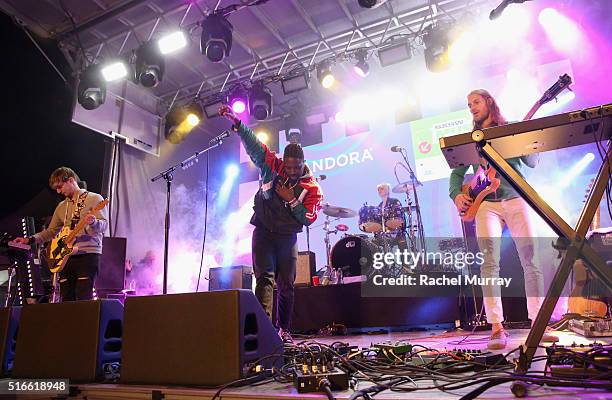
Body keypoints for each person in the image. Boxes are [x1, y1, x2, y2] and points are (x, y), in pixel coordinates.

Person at [448, 89, 557, 350]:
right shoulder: (471, 139)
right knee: (489, 265)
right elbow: (456, 173)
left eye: (476, 101)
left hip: (517, 199)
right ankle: (496, 327)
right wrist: (456, 195)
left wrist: (529, 139)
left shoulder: (509, 129)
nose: (472, 107)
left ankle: (538, 323)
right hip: (486, 204)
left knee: (530, 261)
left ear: (488, 102)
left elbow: (531, 162)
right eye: (468, 104)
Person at [219, 105, 323, 339]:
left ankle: (284, 331)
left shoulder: (312, 188)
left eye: (297, 167)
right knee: (264, 280)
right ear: (283, 161)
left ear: (303, 162)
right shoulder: (273, 166)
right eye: (289, 166)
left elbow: (308, 219)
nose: (293, 171)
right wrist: (237, 123)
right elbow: (255, 146)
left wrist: (292, 200)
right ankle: (264, 332)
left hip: (287, 238)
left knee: (286, 285)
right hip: (264, 231)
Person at [14, 167, 108, 302]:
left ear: (71, 180)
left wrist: (93, 222)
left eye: (60, 187)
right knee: (66, 299)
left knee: (84, 298)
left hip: (88, 254)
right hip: (65, 258)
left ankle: (86, 323)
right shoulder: (61, 206)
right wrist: (30, 239)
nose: (59, 191)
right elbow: (51, 231)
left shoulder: (94, 198)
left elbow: (104, 225)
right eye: (56, 189)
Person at [376, 183, 408, 253]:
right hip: (385, 233)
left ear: (387, 191)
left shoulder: (394, 201)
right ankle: (388, 262)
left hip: (397, 231)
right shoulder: (379, 205)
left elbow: (399, 218)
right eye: (378, 190)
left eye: (382, 189)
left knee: (403, 248)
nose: (379, 191)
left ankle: (405, 263)